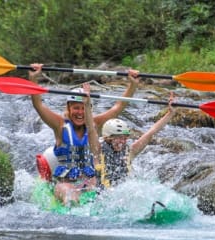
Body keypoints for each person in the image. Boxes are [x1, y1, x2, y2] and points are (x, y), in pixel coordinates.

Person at [29, 64, 139, 205]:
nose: (80, 113)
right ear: (68, 109)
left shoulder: (95, 124)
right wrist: (33, 78)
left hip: (90, 182)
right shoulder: (59, 124)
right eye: (76, 108)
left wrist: (132, 85)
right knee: (70, 196)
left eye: (83, 108)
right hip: (66, 183)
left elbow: (118, 107)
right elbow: (39, 105)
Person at [84, 91, 176, 188]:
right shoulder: (97, 150)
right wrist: (87, 106)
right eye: (119, 138)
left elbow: (151, 132)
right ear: (108, 138)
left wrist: (170, 113)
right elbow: (90, 129)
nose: (122, 142)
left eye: (125, 138)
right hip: (101, 195)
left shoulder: (130, 151)